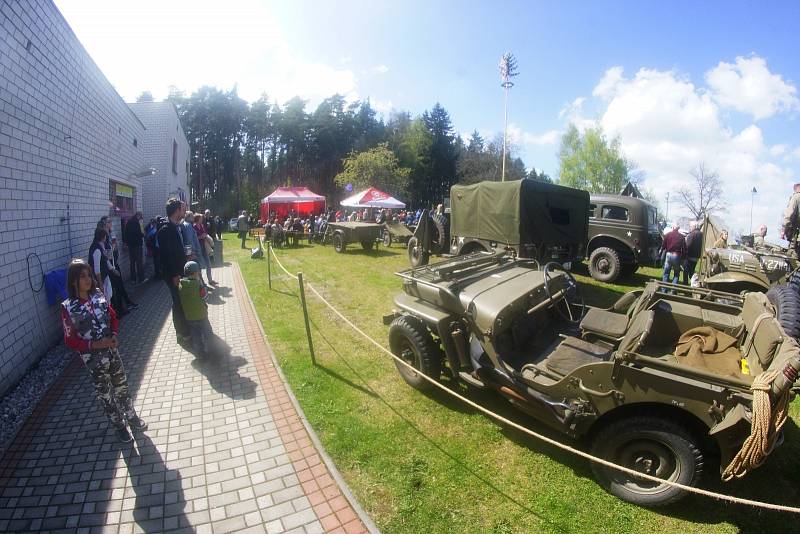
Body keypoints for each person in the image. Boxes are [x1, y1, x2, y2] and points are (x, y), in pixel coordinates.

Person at [60, 259, 147, 442]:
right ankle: (119, 425)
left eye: (89, 275)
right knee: (106, 395)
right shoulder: (68, 307)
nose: (88, 280)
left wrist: (114, 334)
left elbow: (113, 317)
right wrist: (93, 345)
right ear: (73, 281)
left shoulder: (98, 296)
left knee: (122, 387)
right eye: (82, 276)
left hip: (112, 354)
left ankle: (131, 417)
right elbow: (70, 340)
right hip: (94, 361)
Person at [157, 198, 191, 343]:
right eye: (182, 209)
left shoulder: (176, 226)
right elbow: (167, 256)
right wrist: (175, 275)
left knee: (182, 300)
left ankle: (185, 327)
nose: (184, 212)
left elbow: (177, 250)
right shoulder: (165, 230)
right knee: (177, 302)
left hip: (180, 270)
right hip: (173, 274)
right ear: (176, 211)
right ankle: (181, 333)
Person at [178, 261, 214, 359]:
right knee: (208, 334)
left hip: (190, 317)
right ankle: (213, 351)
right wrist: (203, 286)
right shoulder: (198, 285)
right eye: (198, 272)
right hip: (201, 316)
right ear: (195, 273)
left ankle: (200, 355)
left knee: (196, 337)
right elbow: (206, 298)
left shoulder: (181, 285)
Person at [89, 227, 114, 300]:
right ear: (103, 237)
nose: (106, 238)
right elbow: (97, 268)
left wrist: (112, 269)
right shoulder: (97, 249)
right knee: (104, 298)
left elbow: (105, 259)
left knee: (108, 295)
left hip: (104, 276)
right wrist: (100, 284)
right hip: (101, 278)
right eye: (105, 236)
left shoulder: (98, 246)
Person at [123, 212, 145, 283]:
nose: (141, 218)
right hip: (138, 245)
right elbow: (142, 234)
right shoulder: (139, 222)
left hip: (131, 246)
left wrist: (126, 242)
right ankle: (141, 279)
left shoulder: (129, 222)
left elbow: (125, 233)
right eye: (141, 217)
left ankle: (133, 279)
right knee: (139, 262)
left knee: (132, 263)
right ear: (138, 216)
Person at [683, 221, 702, 285]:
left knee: (685, 271)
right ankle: (694, 284)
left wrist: (685, 253)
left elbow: (688, 245)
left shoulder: (692, 234)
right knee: (691, 271)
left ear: (694, 227)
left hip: (689, 256)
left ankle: (685, 285)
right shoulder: (701, 234)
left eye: (691, 226)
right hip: (696, 257)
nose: (690, 228)